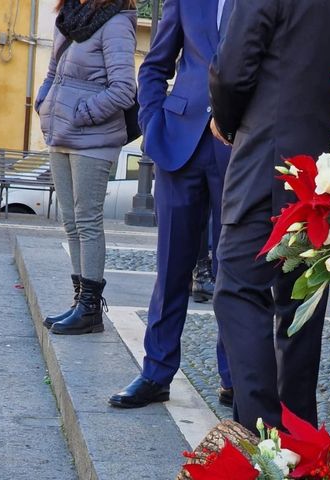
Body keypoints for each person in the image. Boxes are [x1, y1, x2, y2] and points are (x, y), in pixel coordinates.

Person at [209, 0, 330, 431]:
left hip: (269, 159)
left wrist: (226, 125)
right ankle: (299, 437)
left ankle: (265, 438)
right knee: (303, 303)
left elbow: (232, 68)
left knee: (240, 291)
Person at [108, 0, 235, 409]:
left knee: (233, 268)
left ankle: (235, 377)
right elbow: (155, 65)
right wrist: (152, 120)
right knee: (171, 266)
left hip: (238, 148)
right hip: (179, 141)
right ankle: (156, 372)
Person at [35, 0, 137, 335]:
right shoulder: (67, 19)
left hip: (92, 139)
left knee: (88, 220)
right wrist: (45, 103)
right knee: (71, 222)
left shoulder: (117, 22)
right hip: (60, 134)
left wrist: (82, 114)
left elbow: (124, 90)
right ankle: (79, 300)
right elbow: (53, 73)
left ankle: (91, 308)